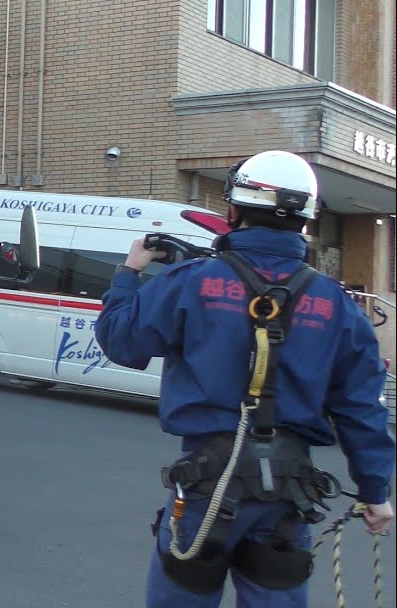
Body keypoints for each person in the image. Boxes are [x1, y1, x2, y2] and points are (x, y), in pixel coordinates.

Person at [93, 149, 394, 607]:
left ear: (233, 210)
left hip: (205, 491)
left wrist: (129, 273)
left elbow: (122, 343)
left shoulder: (191, 281)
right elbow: (362, 407)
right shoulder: (337, 306)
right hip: (286, 500)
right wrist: (375, 493)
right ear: (306, 221)